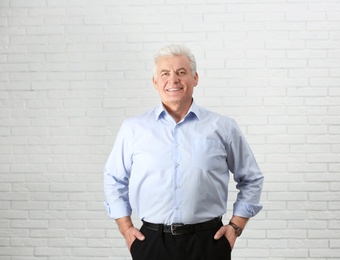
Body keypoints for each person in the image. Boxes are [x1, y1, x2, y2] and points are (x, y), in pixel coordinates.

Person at [103, 44, 264, 260]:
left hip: (208, 243)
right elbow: (114, 179)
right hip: (151, 243)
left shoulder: (223, 127)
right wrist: (125, 228)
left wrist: (235, 226)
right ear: (155, 82)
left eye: (181, 72)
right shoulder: (133, 129)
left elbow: (252, 178)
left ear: (195, 78)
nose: (173, 80)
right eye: (165, 73)